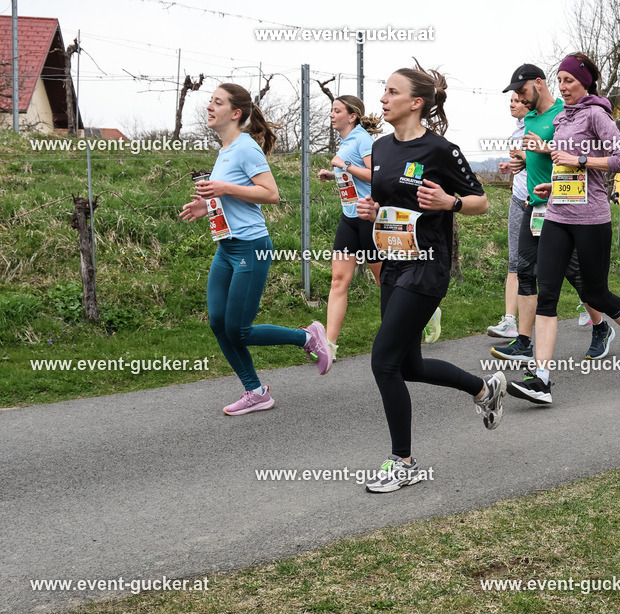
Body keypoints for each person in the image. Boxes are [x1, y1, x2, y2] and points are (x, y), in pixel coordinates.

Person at [356, 60, 506, 493]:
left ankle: (403, 462)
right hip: (393, 262)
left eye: (391, 92)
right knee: (409, 366)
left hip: (427, 265)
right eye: (383, 90)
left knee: (383, 361)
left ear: (416, 103)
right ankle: (484, 389)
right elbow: (389, 205)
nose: (382, 98)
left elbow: (480, 201)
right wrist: (372, 211)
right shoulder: (381, 149)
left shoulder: (440, 150)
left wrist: (449, 203)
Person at [508, 53, 620, 404]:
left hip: (591, 218)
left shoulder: (596, 115)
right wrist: (553, 185)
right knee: (547, 294)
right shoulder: (563, 118)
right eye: (560, 80)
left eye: (570, 81)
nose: (563, 87)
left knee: (596, 295)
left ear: (585, 83)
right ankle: (541, 380)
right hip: (557, 215)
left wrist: (580, 159)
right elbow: (565, 170)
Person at [178, 84, 332, 416]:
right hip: (226, 248)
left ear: (236, 113)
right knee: (218, 323)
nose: (209, 107)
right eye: (210, 101)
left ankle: (307, 338)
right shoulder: (225, 150)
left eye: (217, 102)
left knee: (239, 330)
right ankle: (256, 392)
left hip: (250, 246)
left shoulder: (246, 147)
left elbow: (270, 193)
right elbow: (235, 196)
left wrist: (223, 187)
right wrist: (208, 205)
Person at [493, 64, 603, 367]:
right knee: (525, 271)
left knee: (575, 274)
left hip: (561, 206)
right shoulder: (529, 118)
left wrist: (544, 148)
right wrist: (520, 163)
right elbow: (535, 160)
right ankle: (523, 342)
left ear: (538, 83)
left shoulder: (562, 113)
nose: (519, 98)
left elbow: (574, 155)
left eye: (522, 91)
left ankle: (601, 326)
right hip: (533, 205)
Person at [315, 95, 383, 358]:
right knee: (339, 280)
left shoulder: (363, 139)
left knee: (384, 280)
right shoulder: (346, 141)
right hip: (348, 218)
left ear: (352, 116)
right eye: (331, 110)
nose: (331, 115)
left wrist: (345, 165)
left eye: (336, 110)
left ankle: (427, 313)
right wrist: (334, 174)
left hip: (368, 217)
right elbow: (353, 175)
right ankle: (329, 345)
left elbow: (376, 175)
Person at [487, 94, 529, 339]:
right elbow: (522, 164)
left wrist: (524, 160)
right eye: (511, 100)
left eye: (517, 100)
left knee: (565, 265)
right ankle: (510, 322)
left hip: (542, 202)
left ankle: (591, 308)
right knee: (515, 262)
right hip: (518, 200)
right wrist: (510, 166)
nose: (512, 104)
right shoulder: (516, 130)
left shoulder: (545, 126)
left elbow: (548, 160)